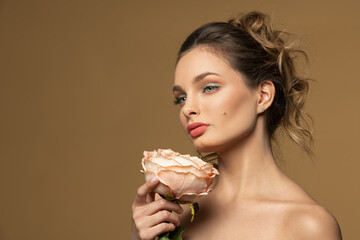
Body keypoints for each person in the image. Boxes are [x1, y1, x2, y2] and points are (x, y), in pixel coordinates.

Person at [131, 11, 342, 239]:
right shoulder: (175, 218)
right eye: (181, 98)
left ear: (262, 96)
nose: (187, 108)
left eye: (209, 87)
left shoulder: (308, 225)